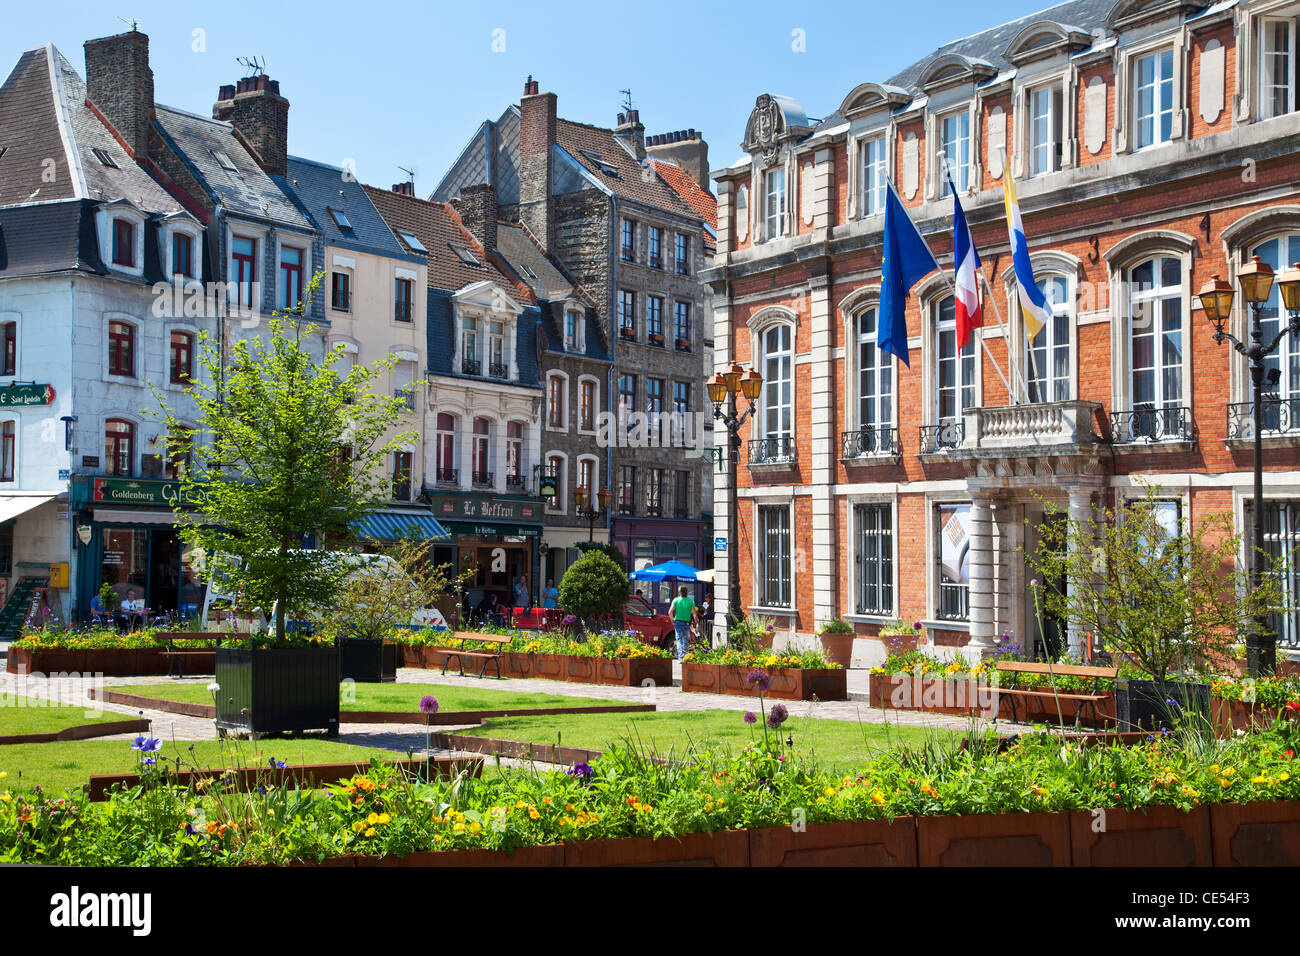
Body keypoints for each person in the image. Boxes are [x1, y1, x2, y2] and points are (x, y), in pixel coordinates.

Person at [668, 584, 696, 660]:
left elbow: (670, 612)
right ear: (687, 592)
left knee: (679, 640)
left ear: (679, 592)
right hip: (687, 623)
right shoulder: (691, 601)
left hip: (678, 622)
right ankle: (686, 657)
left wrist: (672, 620)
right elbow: (694, 614)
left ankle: (681, 658)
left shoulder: (676, 600)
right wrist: (697, 624)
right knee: (686, 640)